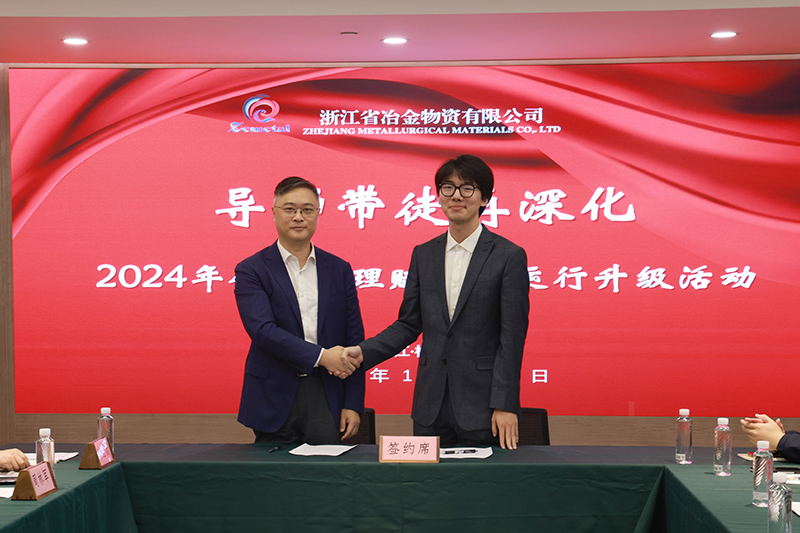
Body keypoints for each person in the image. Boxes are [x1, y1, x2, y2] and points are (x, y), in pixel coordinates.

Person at [344, 155, 530, 449]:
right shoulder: (424, 254)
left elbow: (512, 337)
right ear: (439, 196)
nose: (456, 195)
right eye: (448, 187)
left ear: (484, 198)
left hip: (484, 408)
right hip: (430, 407)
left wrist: (505, 403)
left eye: (467, 188)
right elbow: (408, 324)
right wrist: (361, 353)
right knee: (428, 479)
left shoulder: (508, 256)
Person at [234, 176, 365, 444]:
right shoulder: (252, 269)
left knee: (325, 468)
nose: (298, 217)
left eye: (307, 210)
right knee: (273, 470)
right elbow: (262, 330)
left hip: (327, 390)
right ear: (274, 213)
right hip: (274, 392)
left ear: (317, 213)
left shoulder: (339, 269)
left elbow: (354, 340)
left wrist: (352, 402)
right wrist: (321, 356)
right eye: (289, 209)